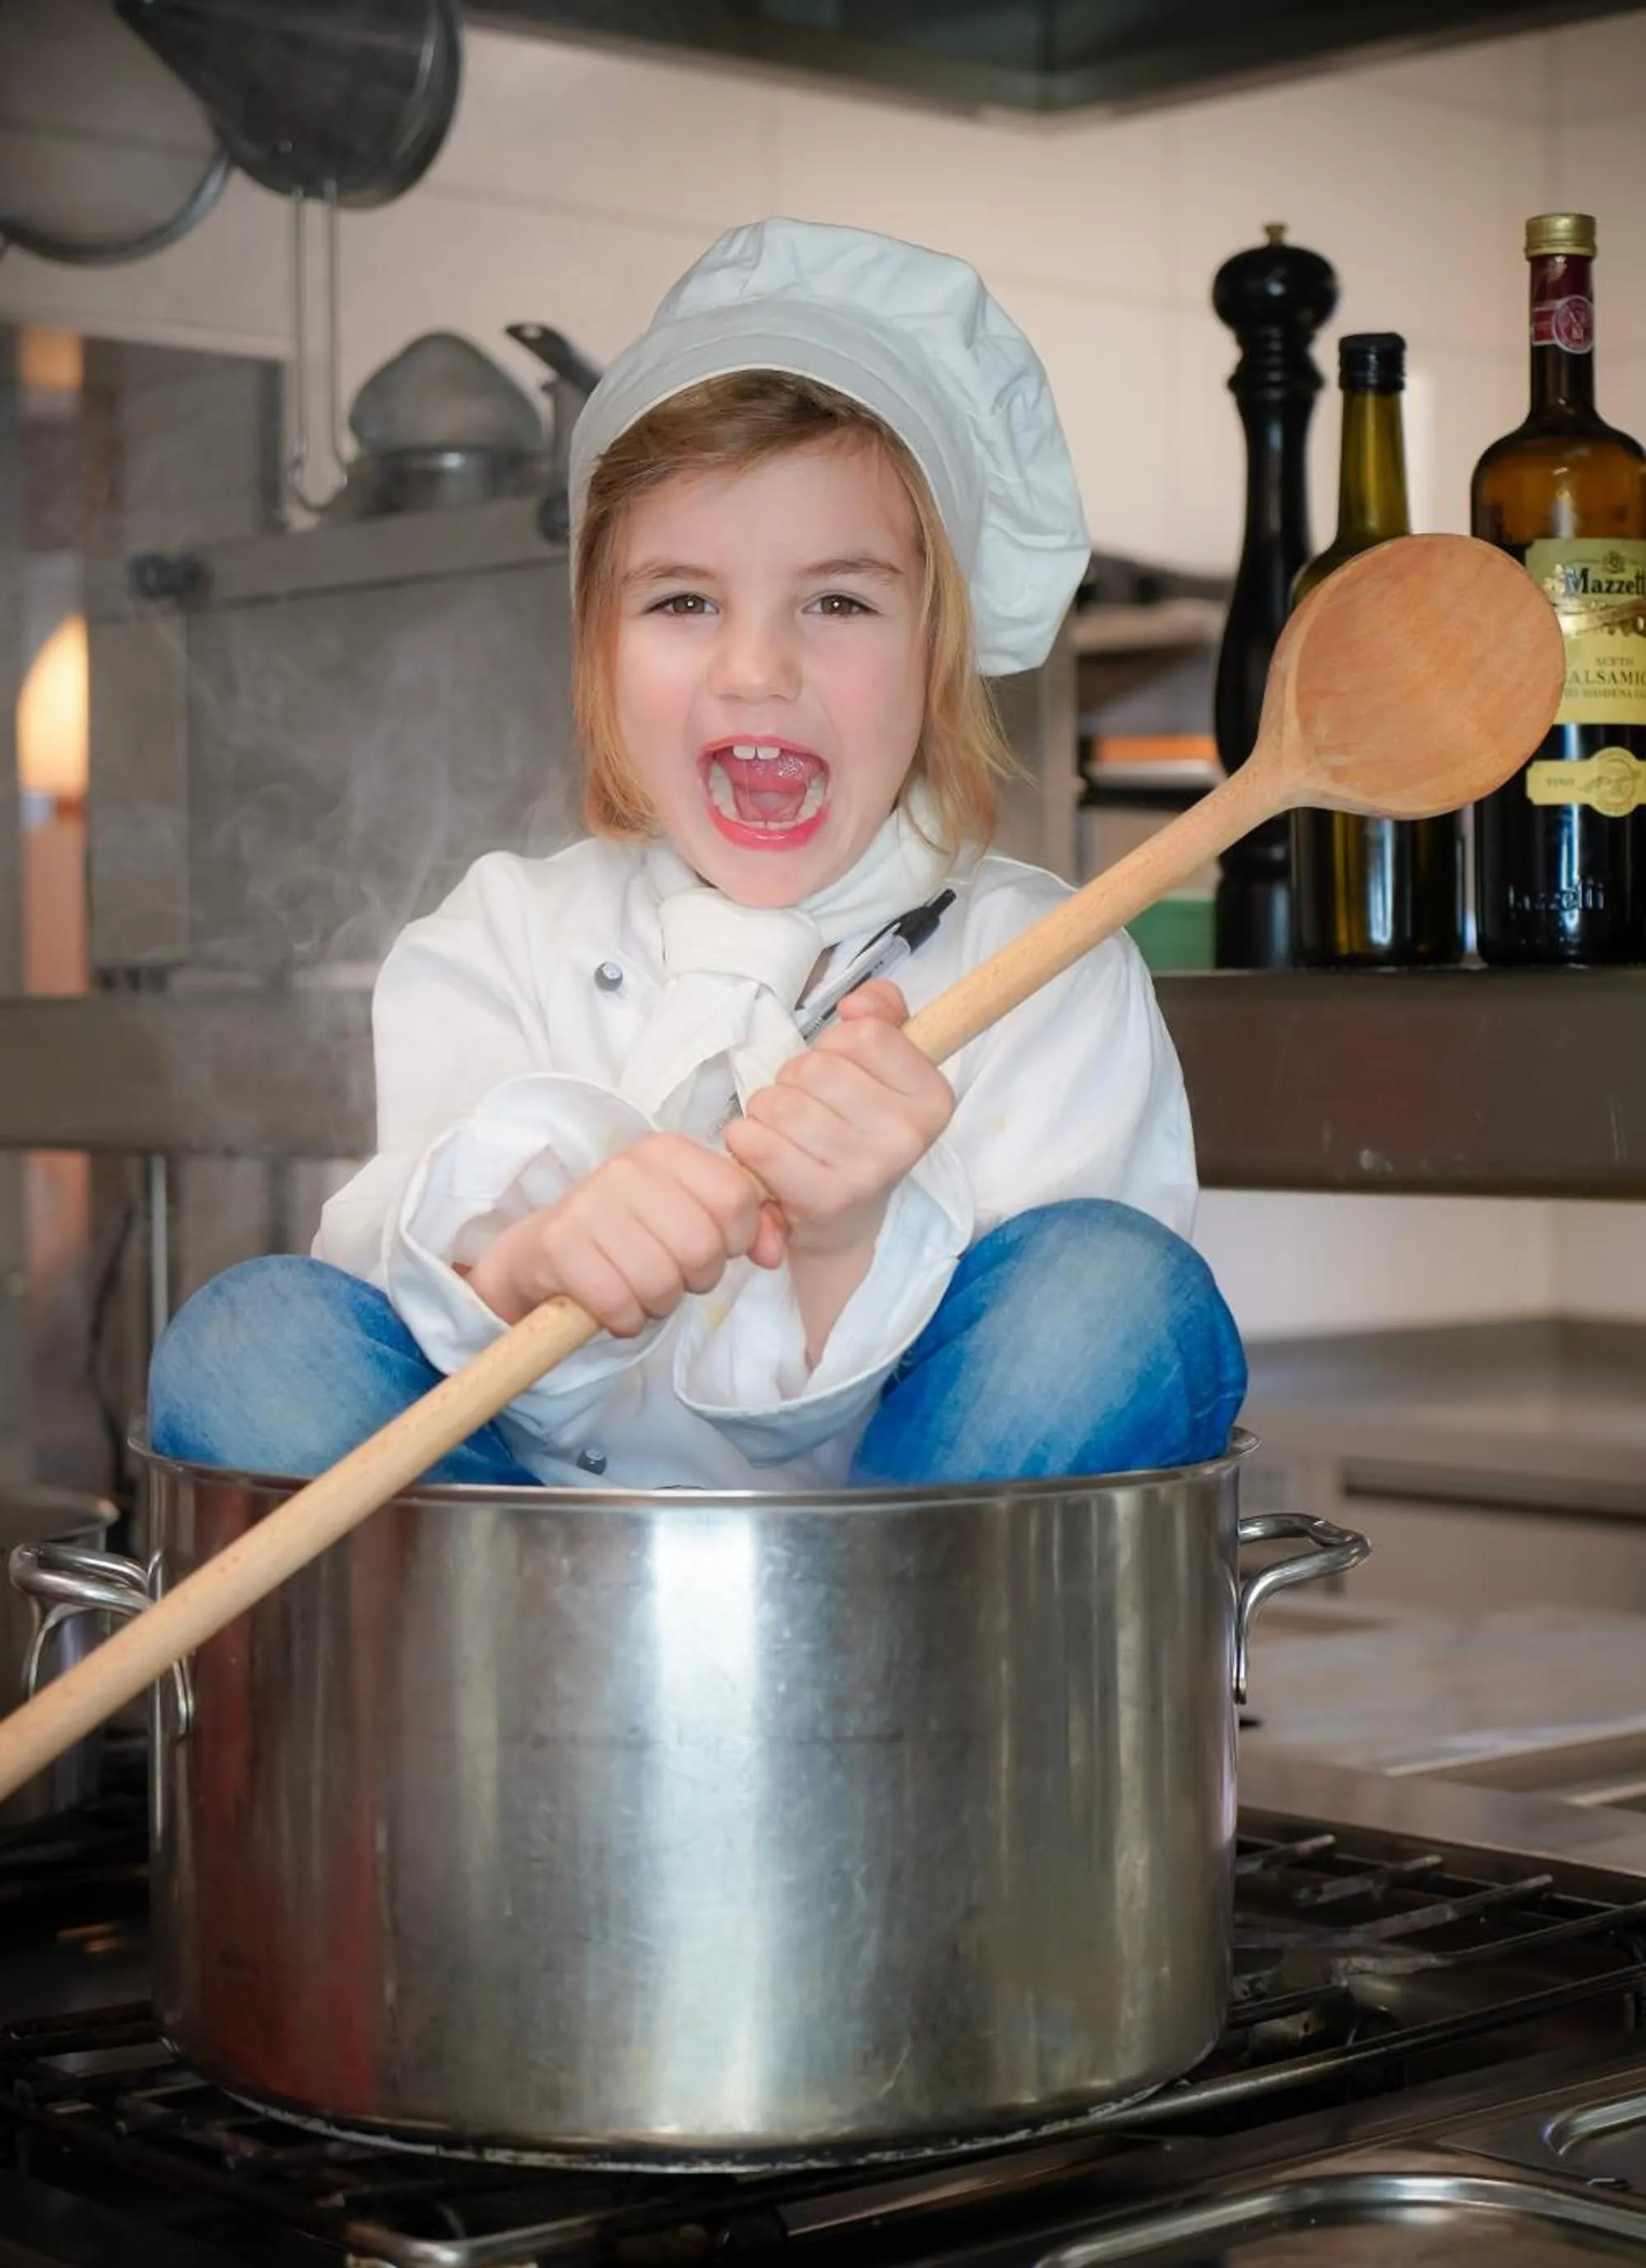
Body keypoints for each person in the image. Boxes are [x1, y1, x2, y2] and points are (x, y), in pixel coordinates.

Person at [151, 218, 1245, 1490]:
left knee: (1112, 1296)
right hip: (520, 1614)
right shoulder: (499, 938)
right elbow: (378, 1329)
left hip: (926, 1624)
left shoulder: (1049, 972)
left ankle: (858, 1691)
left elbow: (1090, 1365)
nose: (756, 669)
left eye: (838, 601)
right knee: (248, 1347)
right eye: (683, 601)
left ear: (936, 655)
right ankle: (528, 1695)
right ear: (598, 656)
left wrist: (843, 1246)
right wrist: (527, 1264)